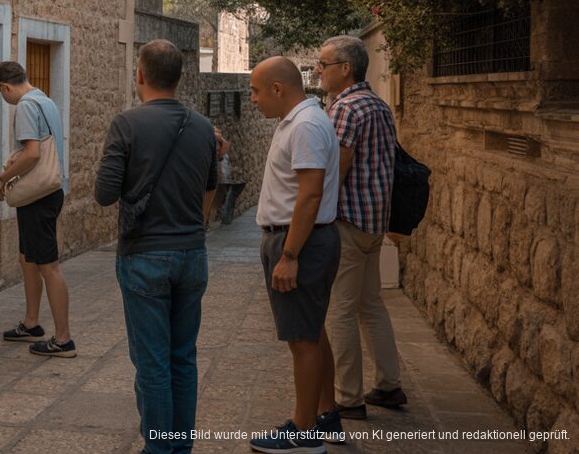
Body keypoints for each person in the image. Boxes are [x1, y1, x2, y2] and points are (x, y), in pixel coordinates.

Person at [94, 39, 224, 454]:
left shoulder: (126, 124)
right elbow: (211, 185)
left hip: (144, 256)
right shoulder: (203, 127)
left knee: (152, 363)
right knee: (183, 358)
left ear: (140, 75)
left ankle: (159, 449)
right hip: (192, 254)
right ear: (180, 77)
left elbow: (104, 194)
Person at [247, 57, 342, 454]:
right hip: (297, 239)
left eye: (256, 91)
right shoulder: (297, 122)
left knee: (302, 340)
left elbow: (310, 194)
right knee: (312, 330)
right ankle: (326, 413)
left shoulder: (304, 126)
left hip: (300, 242)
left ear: (277, 89)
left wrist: (289, 255)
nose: (253, 100)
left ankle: (304, 433)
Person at [315, 36, 404, 420]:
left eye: (323, 64)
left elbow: (336, 171)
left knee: (341, 310)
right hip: (374, 222)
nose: (318, 70)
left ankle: (348, 398)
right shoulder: (377, 104)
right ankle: (389, 384)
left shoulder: (346, 109)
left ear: (345, 68)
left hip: (349, 223)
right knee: (371, 304)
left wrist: (314, 219)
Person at [0, 60, 75, 357]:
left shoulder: (25, 105)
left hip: (38, 196)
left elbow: (33, 154)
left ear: (5, 87)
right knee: (28, 259)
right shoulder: (44, 100)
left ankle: (63, 339)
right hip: (49, 192)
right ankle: (31, 323)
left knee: (48, 265)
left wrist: (2, 179)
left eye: (0, 92)